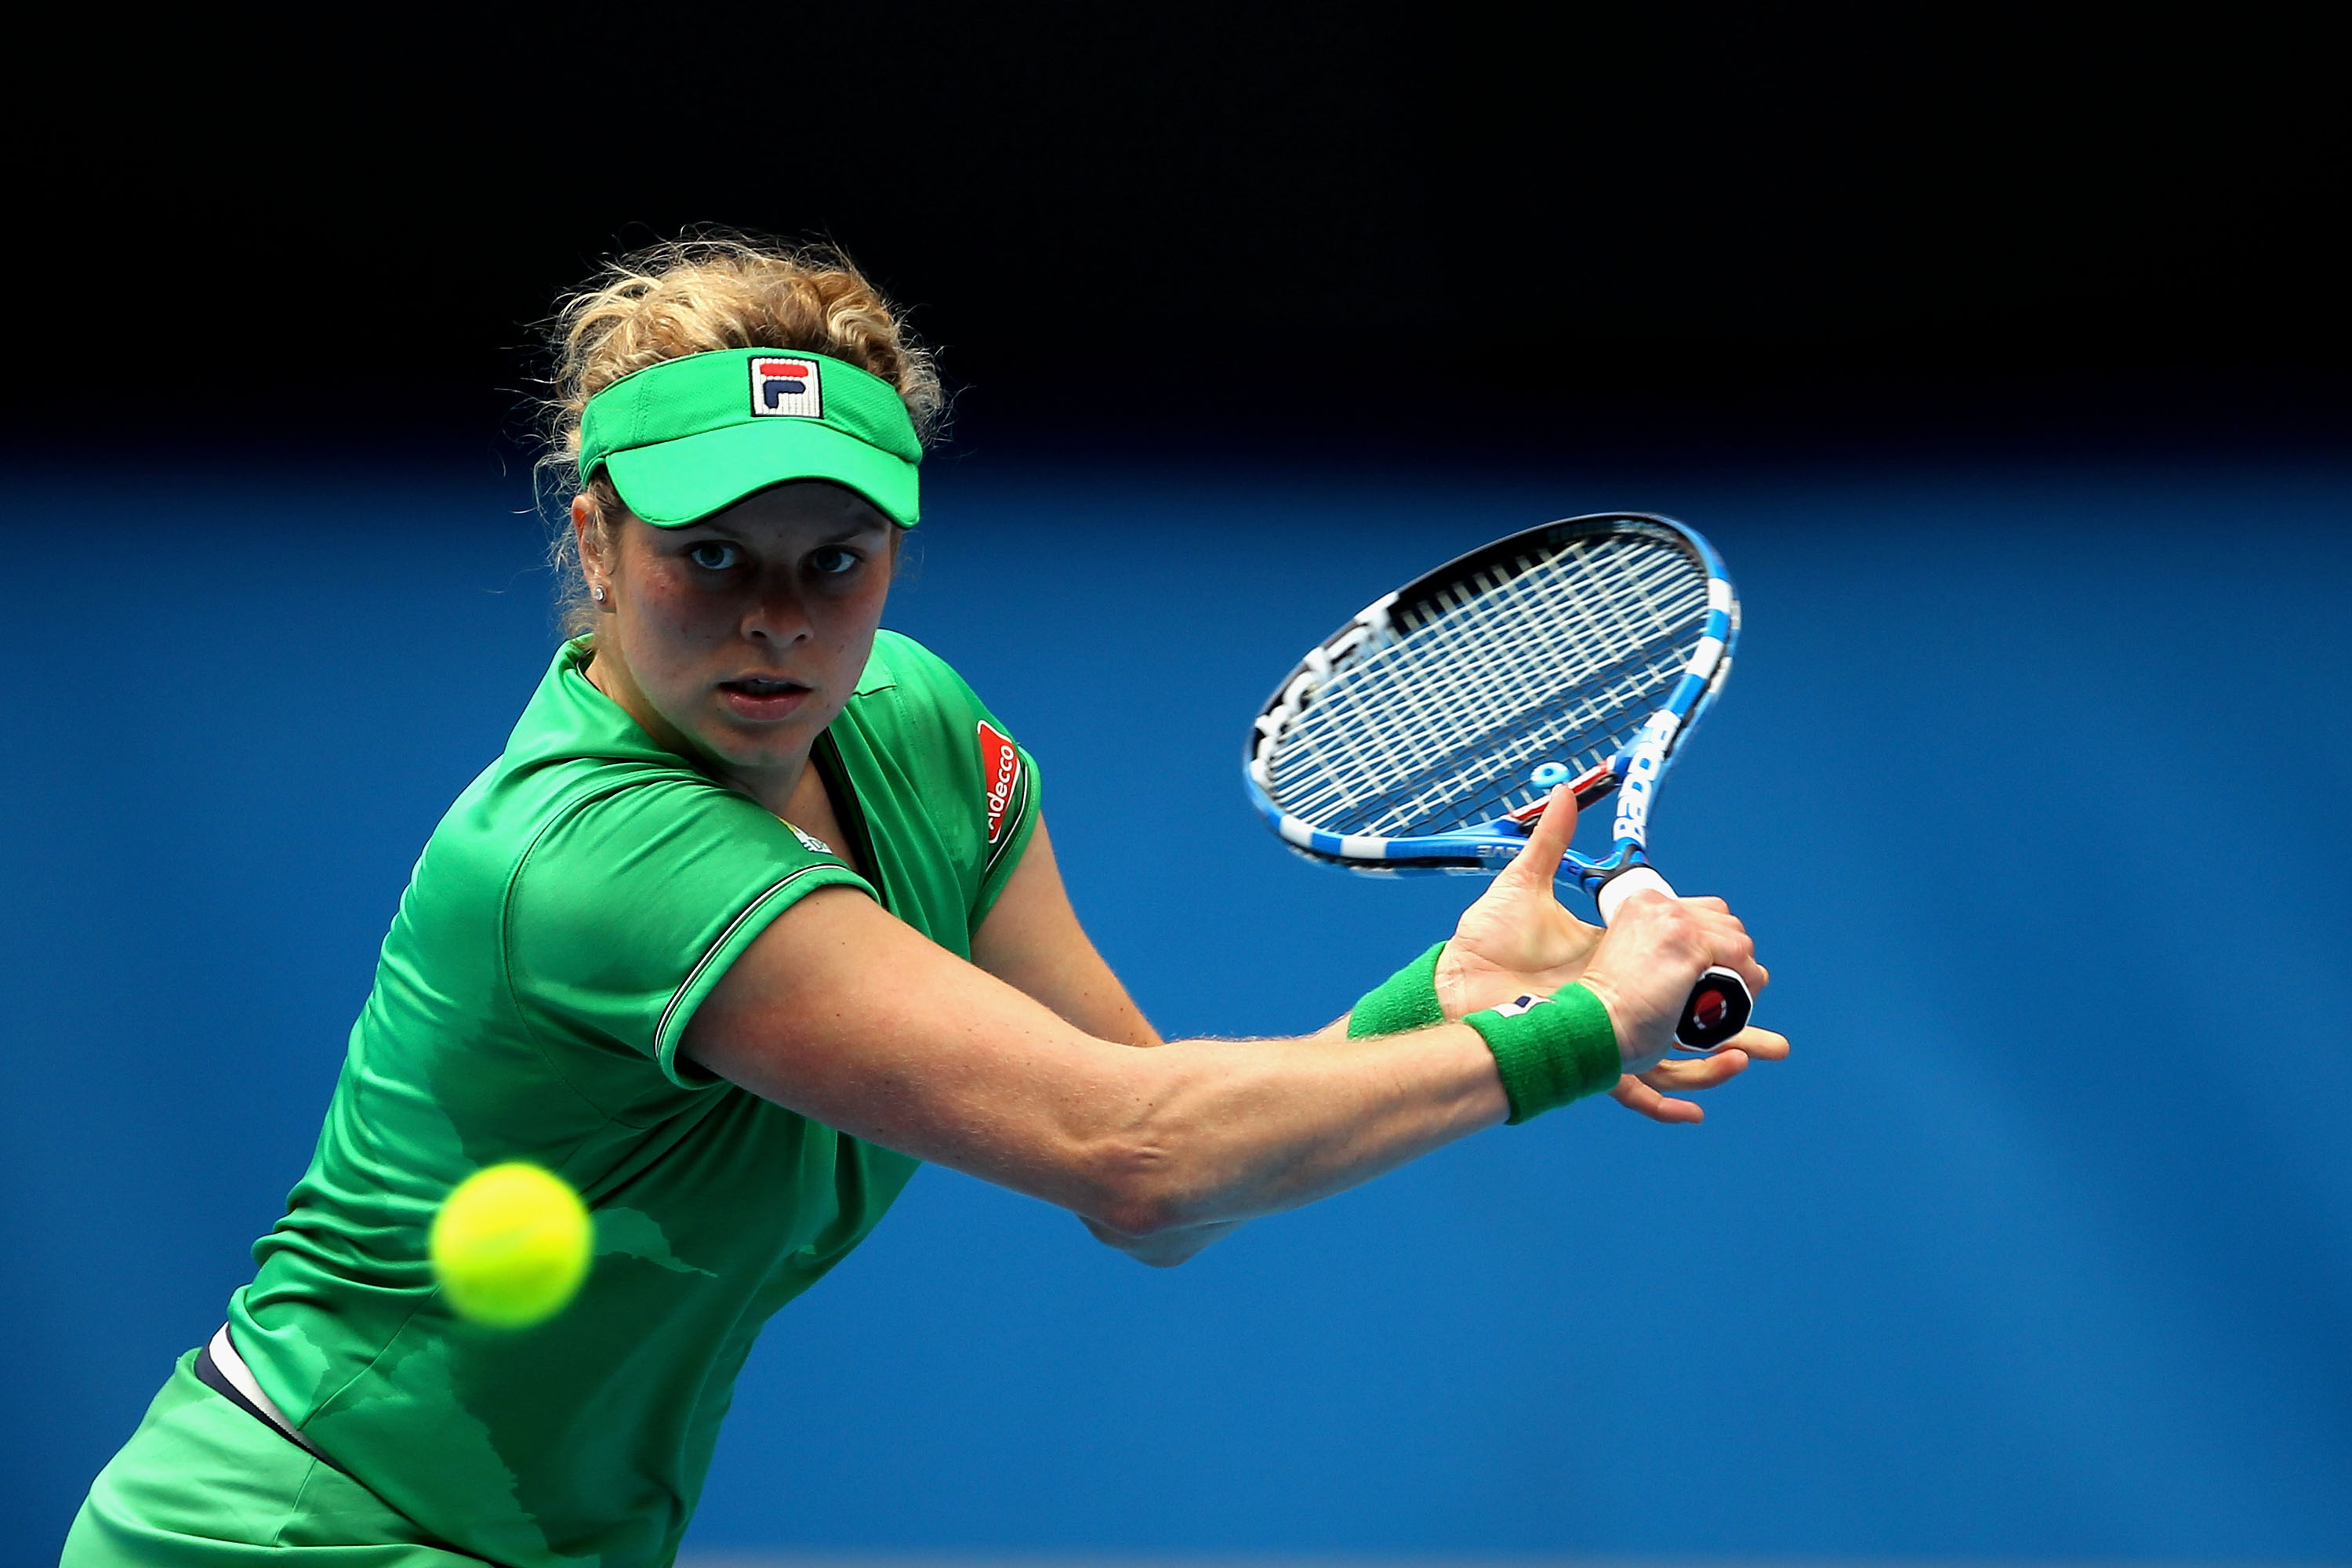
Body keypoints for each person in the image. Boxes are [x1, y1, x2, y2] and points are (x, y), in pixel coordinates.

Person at [63, 237, 1786, 1567]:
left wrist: (1449, 1000)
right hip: (293, 1531)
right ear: (595, 539)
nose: (778, 621)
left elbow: (1163, 1185)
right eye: (707, 555)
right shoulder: (590, 856)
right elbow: (1144, 1147)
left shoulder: (919, 734)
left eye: (836, 562)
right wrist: (1578, 1034)